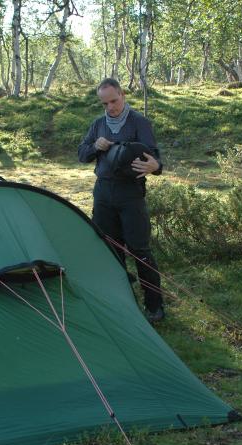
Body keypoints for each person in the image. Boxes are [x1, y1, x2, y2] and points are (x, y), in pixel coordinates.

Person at [78, 78, 165, 322]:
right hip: (103, 193)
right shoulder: (98, 125)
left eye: (114, 101)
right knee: (109, 249)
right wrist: (95, 146)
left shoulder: (139, 122)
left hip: (130, 194)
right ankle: (119, 303)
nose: (110, 107)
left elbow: (155, 160)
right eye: (105, 104)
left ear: (122, 95)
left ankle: (154, 306)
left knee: (140, 250)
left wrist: (155, 166)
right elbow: (82, 154)